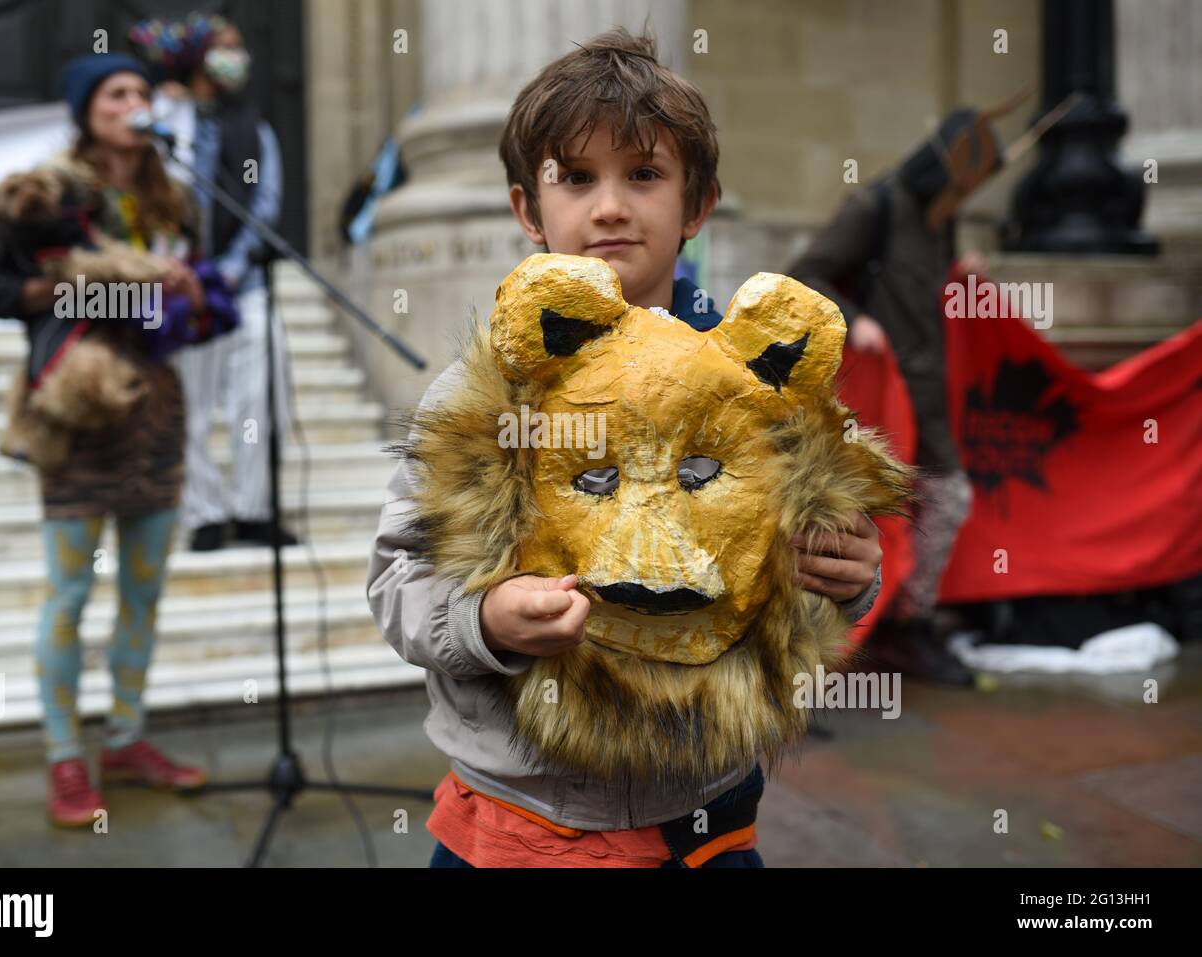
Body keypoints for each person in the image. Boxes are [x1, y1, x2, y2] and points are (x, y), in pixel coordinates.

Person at [367, 29, 885, 868]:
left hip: (708, 816)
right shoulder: (481, 393)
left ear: (698, 204)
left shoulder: (755, 384)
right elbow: (397, 581)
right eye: (575, 178)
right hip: (527, 821)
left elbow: (807, 552)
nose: (609, 206)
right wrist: (487, 620)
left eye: (643, 174)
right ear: (526, 209)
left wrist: (852, 575)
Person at [0, 53, 216, 827]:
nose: (135, 103)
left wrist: (199, 295)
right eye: (117, 93)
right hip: (76, 412)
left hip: (154, 407)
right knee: (69, 594)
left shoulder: (170, 193)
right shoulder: (45, 194)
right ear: (86, 110)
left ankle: (127, 738)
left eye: (143, 91)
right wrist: (85, 284)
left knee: (144, 590)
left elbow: (187, 284)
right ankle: (64, 756)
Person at [787, 109, 1006, 687]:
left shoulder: (941, 219)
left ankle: (905, 624)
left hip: (928, 394)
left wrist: (963, 272)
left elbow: (924, 288)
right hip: (879, 395)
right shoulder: (875, 207)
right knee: (888, 516)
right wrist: (855, 320)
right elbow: (805, 274)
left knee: (943, 501)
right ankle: (884, 631)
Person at [131, 12, 294, 552]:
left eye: (240, 47)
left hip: (240, 283)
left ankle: (255, 509)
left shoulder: (253, 128)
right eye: (226, 47)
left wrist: (229, 268)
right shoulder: (165, 119)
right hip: (180, 288)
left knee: (260, 396)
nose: (237, 58)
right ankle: (205, 513)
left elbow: (263, 202)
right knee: (190, 403)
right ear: (197, 56)